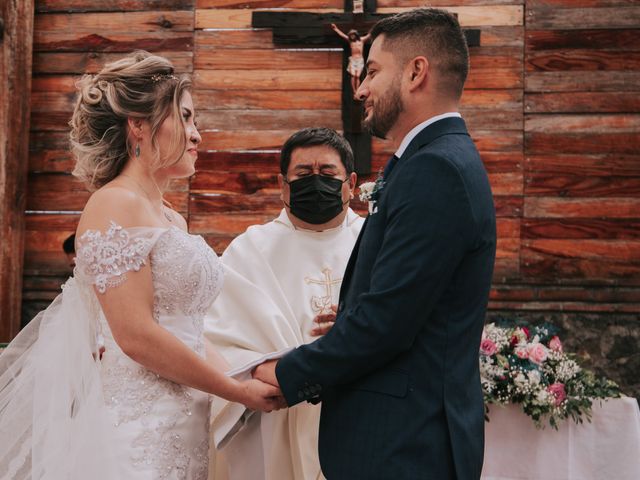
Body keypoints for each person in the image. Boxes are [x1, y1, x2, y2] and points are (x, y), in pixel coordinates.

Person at [0, 51, 284, 480]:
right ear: (139, 125)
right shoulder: (114, 203)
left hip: (184, 423)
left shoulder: (171, 217)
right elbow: (134, 335)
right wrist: (235, 390)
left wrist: (254, 371)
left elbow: (185, 330)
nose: (197, 135)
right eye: (185, 118)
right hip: (133, 433)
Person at [255, 8, 497, 479]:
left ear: (415, 72)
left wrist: (288, 374)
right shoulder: (427, 161)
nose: (360, 88)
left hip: (404, 446)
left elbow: (388, 322)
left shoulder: (437, 170)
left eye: (371, 71)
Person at [204, 127, 364, 480]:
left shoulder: (375, 245)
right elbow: (216, 338)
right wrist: (267, 369)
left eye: (328, 174)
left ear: (351, 183)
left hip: (360, 414)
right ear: (283, 184)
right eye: (304, 174)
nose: (316, 182)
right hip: (272, 421)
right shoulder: (250, 250)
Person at [331, 23, 371, 95]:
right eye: (351, 35)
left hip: (359, 60)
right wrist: (335, 29)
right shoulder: (350, 41)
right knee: (353, 76)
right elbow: (342, 35)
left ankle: (357, 89)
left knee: (357, 76)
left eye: (353, 35)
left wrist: (374, 28)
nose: (352, 36)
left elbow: (369, 35)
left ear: (356, 35)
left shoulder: (361, 40)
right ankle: (354, 91)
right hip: (353, 59)